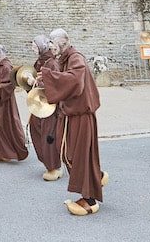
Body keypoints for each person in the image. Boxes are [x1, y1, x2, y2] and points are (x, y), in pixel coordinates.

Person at [38, 29, 107, 216]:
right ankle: (96, 177)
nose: (50, 45)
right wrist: (45, 81)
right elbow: (63, 83)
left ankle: (90, 200)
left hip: (81, 117)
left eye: (52, 42)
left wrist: (49, 77)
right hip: (70, 115)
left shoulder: (76, 58)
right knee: (70, 154)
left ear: (63, 42)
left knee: (80, 156)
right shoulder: (64, 59)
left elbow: (75, 81)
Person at [26, 35, 62, 180]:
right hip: (39, 104)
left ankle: (54, 167)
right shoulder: (40, 61)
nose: (32, 49)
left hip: (49, 106)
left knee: (48, 135)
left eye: (34, 46)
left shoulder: (51, 63)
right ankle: (48, 163)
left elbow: (55, 85)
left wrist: (35, 82)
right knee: (35, 130)